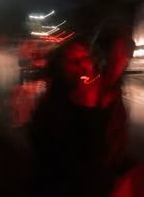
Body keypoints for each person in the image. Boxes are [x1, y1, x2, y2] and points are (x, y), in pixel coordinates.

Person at [29, 30, 135, 196]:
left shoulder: (99, 96)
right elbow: (74, 159)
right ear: (60, 68)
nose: (82, 66)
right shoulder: (53, 108)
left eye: (85, 58)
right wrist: (88, 109)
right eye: (74, 61)